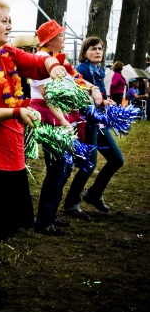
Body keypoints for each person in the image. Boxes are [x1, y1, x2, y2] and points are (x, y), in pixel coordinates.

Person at [0, 0, 68, 304]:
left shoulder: (6, 53)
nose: (9, 26)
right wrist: (15, 113)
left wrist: (53, 65)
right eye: (4, 20)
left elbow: (36, 61)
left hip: (12, 156)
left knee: (0, 227)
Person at [30, 21, 102, 236]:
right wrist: (63, 121)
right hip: (50, 119)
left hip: (60, 118)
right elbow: (49, 95)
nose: (64, 38)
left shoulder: (59, 61)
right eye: (60, 35)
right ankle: (43, 221)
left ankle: (50, 214)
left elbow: (76, 82)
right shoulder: (42, 61)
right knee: (57, 168)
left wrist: (94, 89)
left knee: (64, 167)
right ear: (50, 40)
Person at [63, 37, 124, 219]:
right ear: (84, 51)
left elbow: (99, 96)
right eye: (93, 48)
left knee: (116, 159)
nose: (98, 52)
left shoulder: (98, 70)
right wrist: (100, 103)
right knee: (88, 165)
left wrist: (106, 103)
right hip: (87, 123)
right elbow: (79, 99)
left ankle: (94, 194)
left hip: (99, 122)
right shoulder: (82, 70)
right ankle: (71, 204)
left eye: (101, 48)